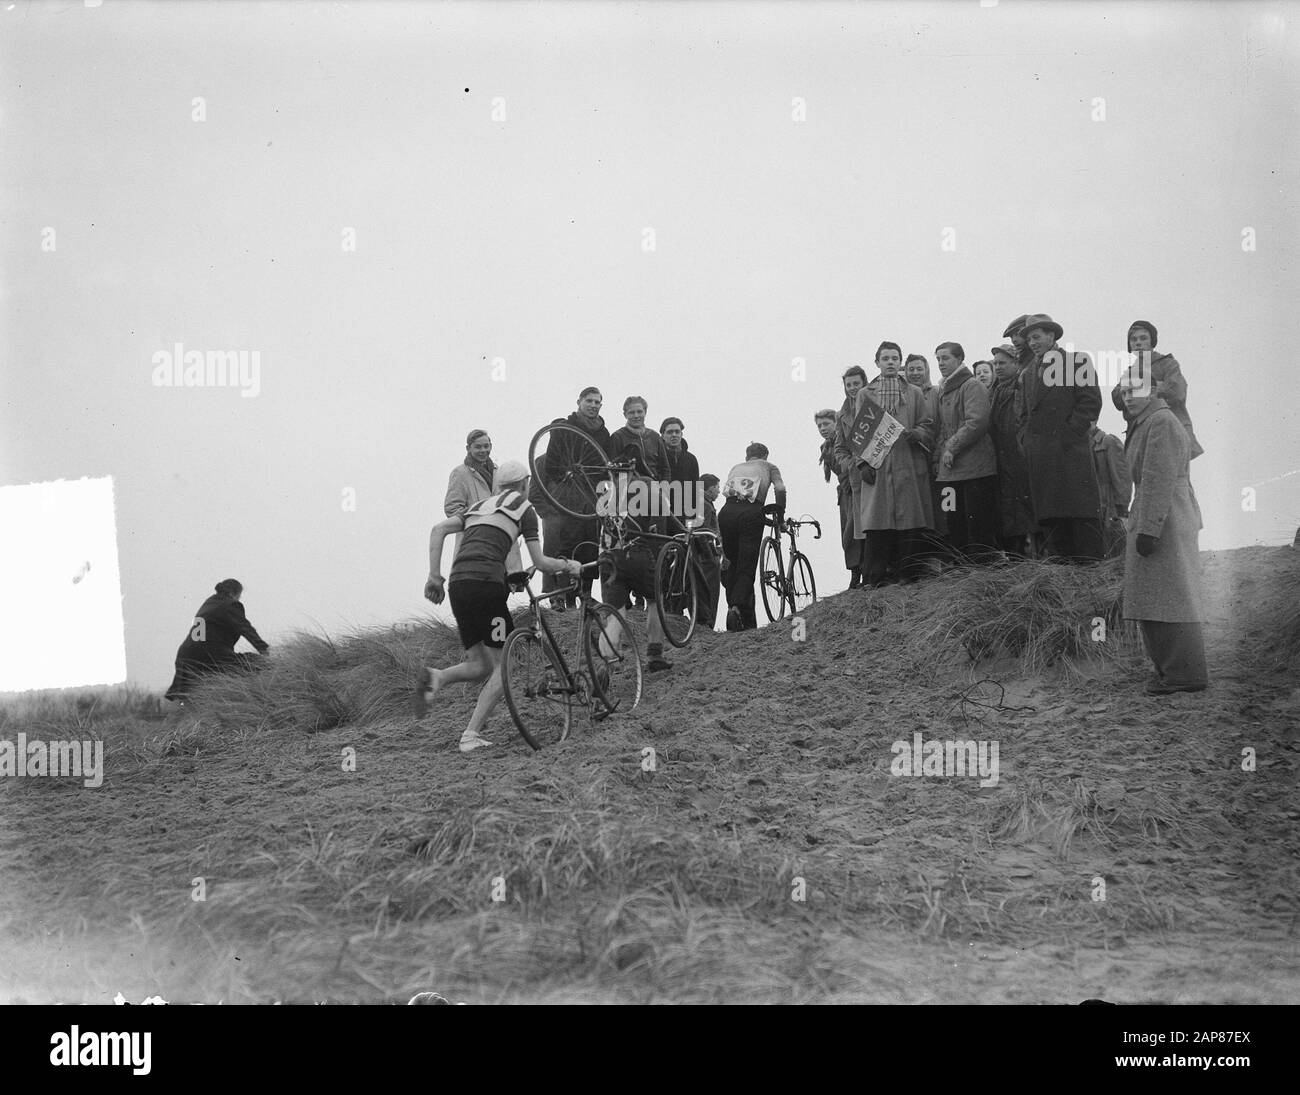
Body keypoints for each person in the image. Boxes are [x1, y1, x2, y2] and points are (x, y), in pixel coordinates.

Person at [418, 459, 584, 752]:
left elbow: (438, 529)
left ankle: (437, 677)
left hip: (458, 584)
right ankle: (470, 735)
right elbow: (543, 562)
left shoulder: (478, 507)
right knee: (502, 665)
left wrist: (434, 576)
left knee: (479, 664)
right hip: (487, 585)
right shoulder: (525, 509)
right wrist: (569, 565)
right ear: (525, 484)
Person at [1118, 369, 1208, 694]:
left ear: (1153, 389)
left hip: (1165, 515)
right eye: (1124, 391)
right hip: (1158, 512)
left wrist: (1149, 529)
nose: (1127, 396)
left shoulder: (1160, 422)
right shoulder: (1149, 421)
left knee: (1171, 596)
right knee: (1160, 596)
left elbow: (1157, 479)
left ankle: (1184, 674)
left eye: (1134, 389)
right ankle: (1173, 672)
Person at [834, 342, 936, 587]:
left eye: (894, 358)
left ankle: (907, 574)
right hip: (877, 465)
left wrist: (918, 433)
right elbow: (859, 434)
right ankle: (876, 576)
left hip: (907, 463)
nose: (890, 362)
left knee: (908, 519)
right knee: (878, 522)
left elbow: (927, 423)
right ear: (877, 362)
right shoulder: (865, 394)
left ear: (899, 362)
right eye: (885, 358)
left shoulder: (912, 392)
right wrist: (862, 464)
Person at [1016, 314, 1104, 563]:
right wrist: (1025, 439)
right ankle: (1065, 577)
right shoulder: (1029, 372)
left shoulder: (1077, 362)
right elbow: (1022, 412)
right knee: (1053, 520)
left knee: (1080, 517)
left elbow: (1090, 403)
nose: (1032, 343)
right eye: (1029, 339)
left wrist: (1068, 435)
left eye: (1037, 337)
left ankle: (1092, 576)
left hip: (1070, 454)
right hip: (1041, 456)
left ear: (1052, 336)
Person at [533, 387, 612, 610]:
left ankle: (584, 594)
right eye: (589, 400)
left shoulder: (603, 434)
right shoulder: (564, 426)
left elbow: (603, 470)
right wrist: (564, 475)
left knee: (588, 545)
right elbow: (552, 464)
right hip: (566, 495)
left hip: (589, 495)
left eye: (598, 402)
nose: (593, 405)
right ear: (579, 401)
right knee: (563, 547)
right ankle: (561, 596)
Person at [933, 342, 1000, 562]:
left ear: (960, 359)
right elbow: (943, 427)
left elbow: (977, 422)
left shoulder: (971, 385)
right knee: (953, 519)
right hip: (949, 473)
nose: (941, 363)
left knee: (978, 523)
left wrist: (951, 447)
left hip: (975, 470)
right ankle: (960, 566)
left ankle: (982, 569)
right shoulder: (944, 389)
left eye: (945, 358)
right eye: (938, 359)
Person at [165, 579, 270, 703]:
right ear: (234, 593)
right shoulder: (230, 604)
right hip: (209, 654)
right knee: (259, 664)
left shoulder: (209, 602)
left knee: (194, 698)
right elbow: (244, 627)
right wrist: (263, 648)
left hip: (186, 656)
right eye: (239, 596)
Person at [1110, 320, 1204, 460]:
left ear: (1152, 341)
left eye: (1143, 338)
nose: (1138, 343)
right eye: (1133, 339)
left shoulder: (1168, 364)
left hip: (1170, 431)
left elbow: (1177, 393)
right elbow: (1117, 398)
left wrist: (1142, 387)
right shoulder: (1130, 372)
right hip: (1141, 434)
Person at [719, 442, 787, 630]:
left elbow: (737, 498)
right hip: (751, 512)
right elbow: (780, 489)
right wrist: (780, 518)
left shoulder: (736, 468)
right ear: (765, 455)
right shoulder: (769, 466)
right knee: (747, 563)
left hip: (726, 512)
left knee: (729, 561)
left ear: (747, 457)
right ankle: (738, 606)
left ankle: (737, 612)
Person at [987, 343, 1037, 556]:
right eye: (996, 363)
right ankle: (1016, 553)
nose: (998, 367)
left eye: (1003, 362)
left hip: (1020, 454)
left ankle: (1030, 553)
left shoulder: (1021, 384)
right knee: (1009, 507)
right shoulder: (996, 390)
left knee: (1024, 507)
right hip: (1004, 456)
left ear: (1015, 362)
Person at [831, 369, 869, 587]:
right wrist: (850, 464)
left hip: (876, 474)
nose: (853, 388)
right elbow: (839, 448)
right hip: (855, 476)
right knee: (855, 528)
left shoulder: (872, 405)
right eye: (849, 384)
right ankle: (856, 571)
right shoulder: (841, 415)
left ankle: (872, 570)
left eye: (856, 383)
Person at [817, 406, 862, 588]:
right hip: (843, 492)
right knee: (846, 532)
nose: (822, 428)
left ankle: (861, 571)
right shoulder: (824, 447)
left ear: (836, 423)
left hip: (855, 488)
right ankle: (854, 571)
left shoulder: (844, 439)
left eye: (826, 424)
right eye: (819, 426)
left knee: (854, 531)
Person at [1091, 423, 1133, 559]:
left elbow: (1122, 477)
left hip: (1110, 509)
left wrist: (1122, 508)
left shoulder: (1108, 442)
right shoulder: (1081, 444)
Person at [660, 416, 702, 530]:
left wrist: (694, 517)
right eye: (669, 432)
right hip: (663, 512)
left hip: (684, 513)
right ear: (663, 436)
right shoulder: (658, 457)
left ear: (681, 434)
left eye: (677, 431)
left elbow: (695, 490)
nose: (674, 435)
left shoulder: (691, 459)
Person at [696, 473, 724, 629]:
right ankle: (708, 623)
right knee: (711, 590)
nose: (719, 491)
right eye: (717, 487)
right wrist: (710, 555)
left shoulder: (697, 502)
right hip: (706, 554)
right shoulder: (705, 505)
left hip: (702, 553)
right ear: (710, 488)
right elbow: (703, 531)